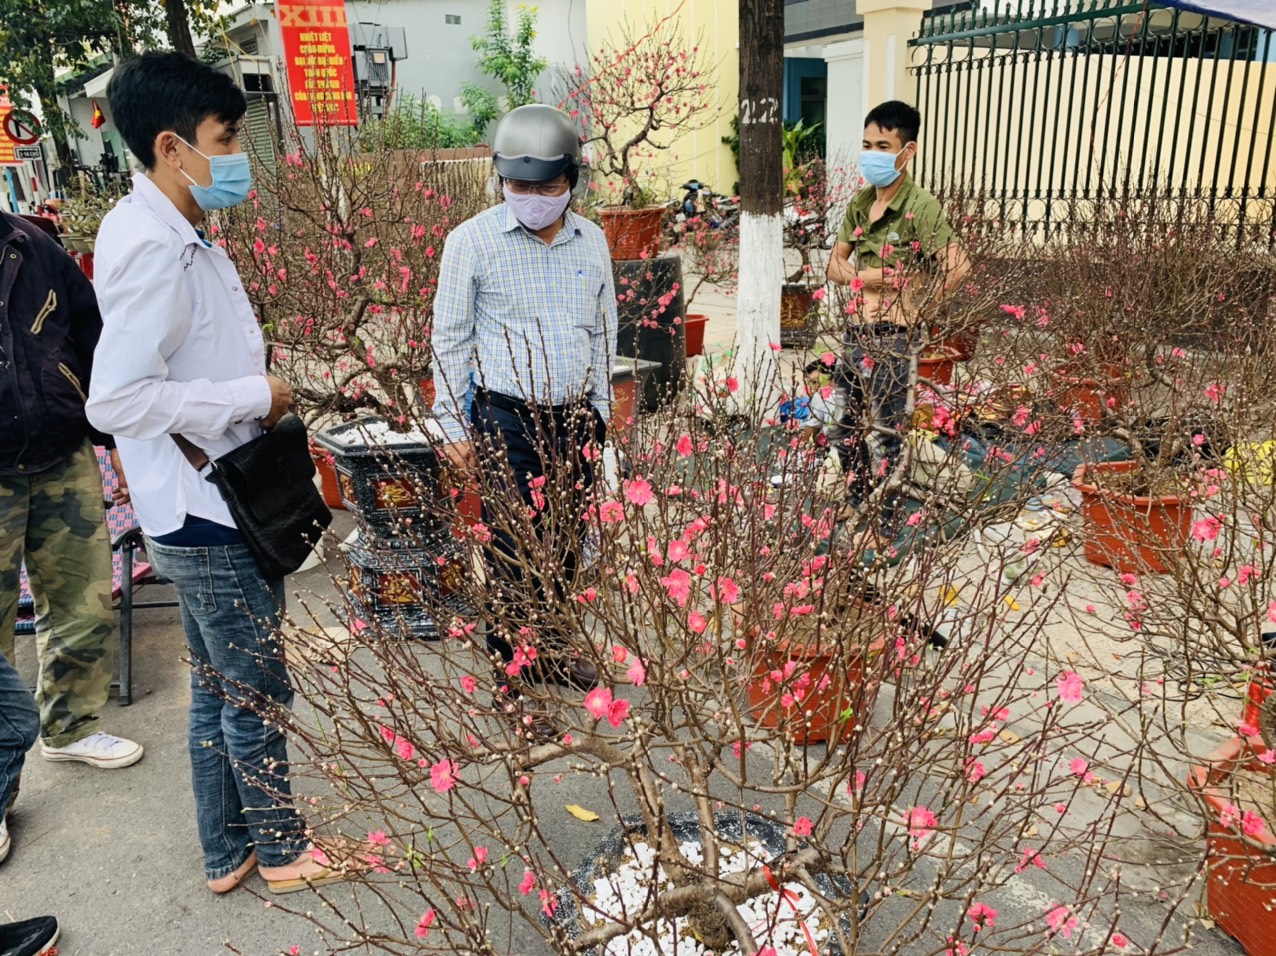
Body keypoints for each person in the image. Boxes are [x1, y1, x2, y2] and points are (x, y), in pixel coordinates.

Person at [86, 51, 346, 896]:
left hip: (190, 511)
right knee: (258, 694)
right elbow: (116, 399)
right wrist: (253, 394)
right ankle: (280, 850)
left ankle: (223, 850)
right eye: (225, 137)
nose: (236, 153)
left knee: (217, 692)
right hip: (210, 515)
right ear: (171, 145)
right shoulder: (154, 248)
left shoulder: (172, 226)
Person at [432, 104, 616, 735]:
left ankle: (554, 654)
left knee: (564, 546)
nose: (533, 198)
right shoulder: (471, 243)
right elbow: (449, 340)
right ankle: (514, 686)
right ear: (500, 179)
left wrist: (600, 413)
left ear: (574, 180)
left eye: (548, 186)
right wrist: (452, 426)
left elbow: (604, 330)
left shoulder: (592, 241)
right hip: (505, 417)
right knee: (514, 554)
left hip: (576, 420)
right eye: (520, 186)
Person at [0, 208, 143, 784]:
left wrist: (114, 441)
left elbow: (92, 337)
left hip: (62, 450)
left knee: (83, 606)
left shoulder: (29, 242)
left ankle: (71, 727)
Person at [825, 101, 971, 551]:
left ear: (906, 152)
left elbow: (958, 266)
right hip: (856, 333)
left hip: (894, 337)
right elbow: (834, 263)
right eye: (867, 144)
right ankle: (857, 498)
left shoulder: (919, 207)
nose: (872, 154)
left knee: (889, 432)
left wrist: (912, 301)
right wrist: (858, 275)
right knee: (843, 426)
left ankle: (884, 523)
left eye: (882, 146)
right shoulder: (862, 200)